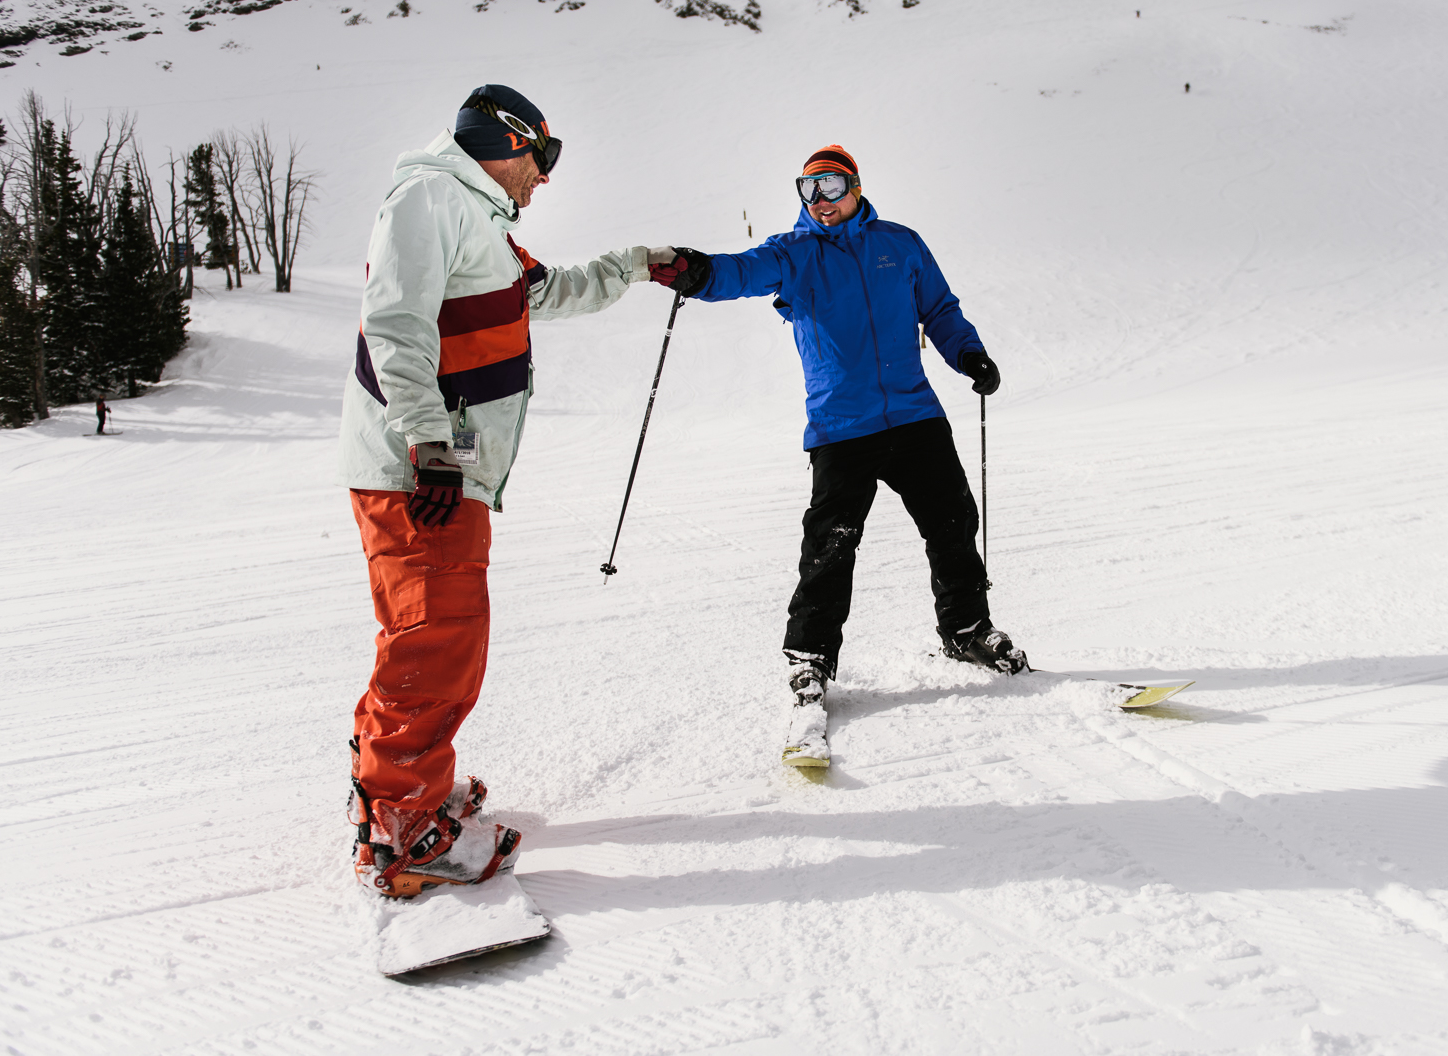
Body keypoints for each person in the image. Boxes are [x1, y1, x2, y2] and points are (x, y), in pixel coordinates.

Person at [336, 84, 678, 896]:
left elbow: (547, 292)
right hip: (423, 470)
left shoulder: (477, 219)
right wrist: (428, 443)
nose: (545, 179)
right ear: (507, 143)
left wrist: (634, 265)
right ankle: (403, 827)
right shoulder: (430, 198)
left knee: (431, 634)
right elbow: (395, 323)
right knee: (436, 641)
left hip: (442, 465)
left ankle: (405, 785)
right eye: (542, 157)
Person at [656, 144, 1024, 765]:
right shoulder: (795, 254)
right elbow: (740, 272)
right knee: (831, 545)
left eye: (830, 186)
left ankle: (966, 631)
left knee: (954, 524)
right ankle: (810, 661)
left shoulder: (899, 243)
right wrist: (696, 270)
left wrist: (969, 355)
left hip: (915, 414)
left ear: (855, 186)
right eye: (808, 189)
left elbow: (939, 309)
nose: (820, 201)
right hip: (841, 426)